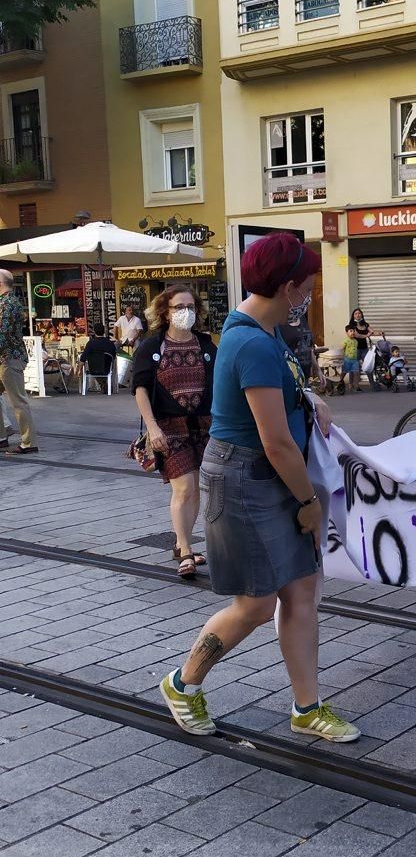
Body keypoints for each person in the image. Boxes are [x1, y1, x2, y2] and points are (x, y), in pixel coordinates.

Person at [158, 232, 359, 744]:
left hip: (269, 476)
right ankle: (183, 684)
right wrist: (310, 504)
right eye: (309, 282)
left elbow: (278, 398)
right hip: (247, 479)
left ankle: (307, 707)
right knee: (255, 603)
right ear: (289, 285)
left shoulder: (262, 332)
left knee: (303, 592)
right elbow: (275, 443)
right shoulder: (252, 340)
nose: (312, 290)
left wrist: (311, 397)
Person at [132, 285, 216, 580]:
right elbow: (139, 388)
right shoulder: (152, 346)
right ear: (165, 312)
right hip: (169, 427)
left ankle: (184, 545)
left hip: (204, 427)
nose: (186, 313)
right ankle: (185, 548)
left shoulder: (205, 345)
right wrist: (153, 426)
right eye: (179, 307)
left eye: (191, 307)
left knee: (194, 489)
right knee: (183, 488)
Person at [0, 268, 38, 455]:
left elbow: (3, 332)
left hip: (9, 357)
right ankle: (1, 437)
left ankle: (28, 442)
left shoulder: (8, 303)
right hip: (5, 357)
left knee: (18, 400)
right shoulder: (5, 301)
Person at [79, 323, 118, 392]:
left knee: (91, 364)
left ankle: (100, 384)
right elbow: (114, 357)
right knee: (103, 364)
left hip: (93, 369)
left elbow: (83, 359)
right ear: (104, 331)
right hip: (107, 368)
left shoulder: (90, 343)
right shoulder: (110, 343)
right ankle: (103, 383)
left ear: (94, 331)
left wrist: (78, 370)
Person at [350, 308, 377, 390]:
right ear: (353, 315)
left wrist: (379, 333)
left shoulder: (365, 324)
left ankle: (372, 385)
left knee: (368, 366)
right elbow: (357, 335)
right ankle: (352, 385)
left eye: (359, 313)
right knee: (355, 368)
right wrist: (367, 335)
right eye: (356, 313)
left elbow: (372, 332)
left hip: (364, 349)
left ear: (361, 314)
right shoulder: (352, 325)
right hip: (355, 349)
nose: (358, 315)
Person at [342, 324, 361, 393]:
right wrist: (342, 357)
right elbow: (342, 349)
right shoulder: (345, 341)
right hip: (347, 359)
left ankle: (356, 385)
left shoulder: (356, 341)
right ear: (347, 333)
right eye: (351, 331)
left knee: (356, 372)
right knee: (344, 372)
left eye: (354, 331)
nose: (353, 332)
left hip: (354, 360)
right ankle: (340, 382)